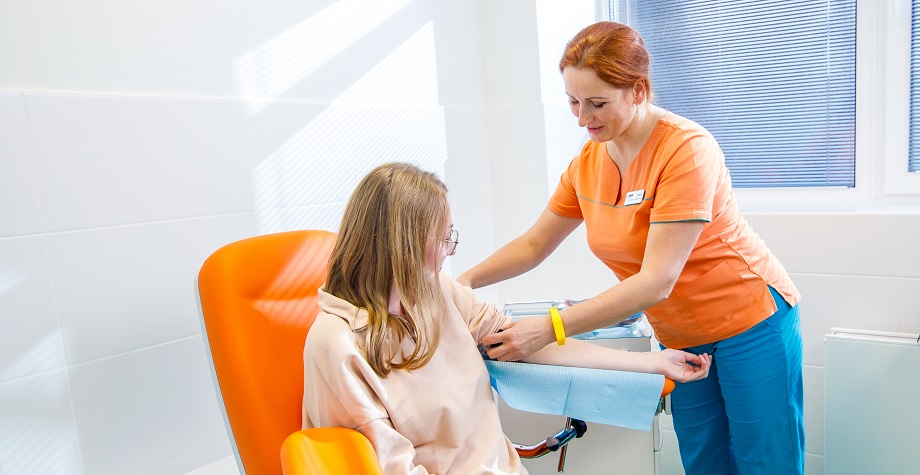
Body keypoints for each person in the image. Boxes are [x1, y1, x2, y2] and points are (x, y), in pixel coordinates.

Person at [457, 21, 804, 475]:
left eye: (597, 103)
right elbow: (534, 243)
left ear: (638, 90)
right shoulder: (587, 162)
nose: (583, 118)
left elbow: (657, 280)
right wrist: (459, 284)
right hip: (681, 334)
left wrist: (549, 329)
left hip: (751, 319)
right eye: (574, 102)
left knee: (765, 460)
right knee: (704, 460)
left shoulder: (685, 150)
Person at [301, 162, 711, 475]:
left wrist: (652, 362)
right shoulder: (336, 345)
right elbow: (387, 466)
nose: (451, 250)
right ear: (403, 243)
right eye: (444, 237)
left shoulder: (438, 293)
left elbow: (529, 344)